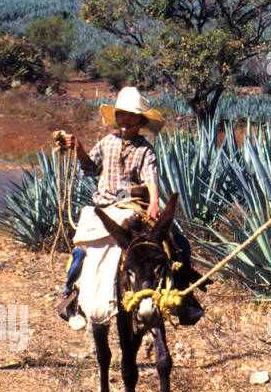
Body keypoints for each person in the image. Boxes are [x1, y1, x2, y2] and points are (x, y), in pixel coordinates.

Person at [58, 87, 197, 327]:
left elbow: (151, 177)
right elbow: (90, 168)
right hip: (104, 208)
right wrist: (78, 147)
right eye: (121, 114)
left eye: (131, 116)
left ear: (141, 121)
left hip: (132, 207)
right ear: (116, 117)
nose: (125, 120)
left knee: (179, 244)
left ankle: (183, 297)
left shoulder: (145, 150)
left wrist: (154, 201)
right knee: (80, 252)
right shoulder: (106, 143)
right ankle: (71, 295)